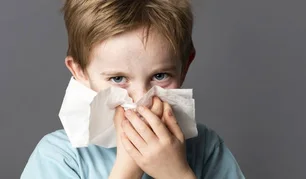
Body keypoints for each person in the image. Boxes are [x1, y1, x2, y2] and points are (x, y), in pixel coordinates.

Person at [21, 0, 245, 178]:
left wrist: (177, 174)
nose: (141, 99)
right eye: (118, 78)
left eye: (160, 76)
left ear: (185, 66)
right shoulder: (59, 157)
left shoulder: (206, 149)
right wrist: (127, 170)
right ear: (79, 71)